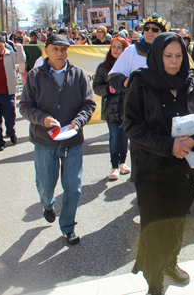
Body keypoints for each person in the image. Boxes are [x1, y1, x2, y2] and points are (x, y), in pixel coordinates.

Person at [123, 32, 194, 295]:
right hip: (151, 170)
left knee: (176, 223)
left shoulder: (191, 81)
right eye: (168, 56)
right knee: (154, 229)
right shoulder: (141, 82)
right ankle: (153, 280)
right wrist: (168, 145)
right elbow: (132, 126)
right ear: (157, 55)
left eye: (178, 56)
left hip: (183, 169)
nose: (174, 62)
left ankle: (170, 263)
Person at [19, 34, 96, 245]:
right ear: (47, 50)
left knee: (73, 187)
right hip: (45, 141)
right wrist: (42, 119)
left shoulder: (79, 75)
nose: (60, 53)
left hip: (72, 141)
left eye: (64, 49)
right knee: (45, 184)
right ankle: (47, 204)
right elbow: (25, 106)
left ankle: (68, 227)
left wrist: (78, 122)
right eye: (55, 49)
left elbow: (89, 105)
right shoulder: (35, 76)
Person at [93, 37, 131, 180]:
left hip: (128, 108)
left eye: (119, 47)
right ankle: (114, 165)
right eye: (113, 47)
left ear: (124, 49)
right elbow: (96, 87)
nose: (115, 50)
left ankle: (123, 163)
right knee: (115, 137)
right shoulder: (103, 67)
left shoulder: (129, 65)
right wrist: (108, 89)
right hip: (111, 108)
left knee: (125, 137)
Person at [108, 14, 168, 92]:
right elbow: (114, 76)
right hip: (138, 101)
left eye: (155, 29)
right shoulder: (131, 51)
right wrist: (126, 82)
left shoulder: (171, 52)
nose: (150, 31)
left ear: (163, 33)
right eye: (147, 28)